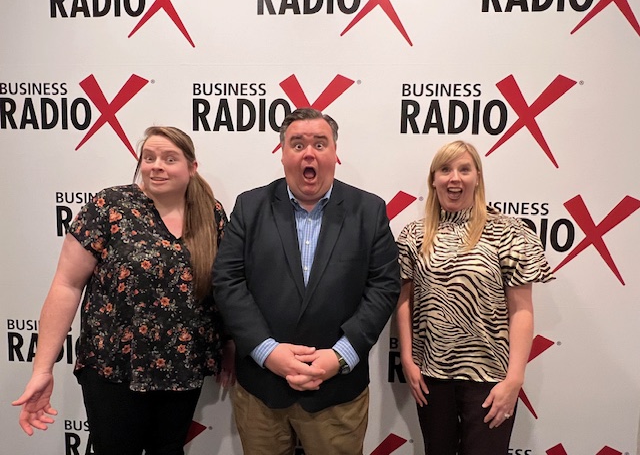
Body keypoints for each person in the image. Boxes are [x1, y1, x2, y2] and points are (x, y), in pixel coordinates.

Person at [12, 126, 233, 455]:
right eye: (149, 157)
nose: (156, 166)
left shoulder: (211, 213)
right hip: (113, 369)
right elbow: (66, 285)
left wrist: (229, 342)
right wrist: (42, 369)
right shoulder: (109, 206)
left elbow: (222, 286)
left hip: (182, 369)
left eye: (169, 159)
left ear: (192, 167)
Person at [212, 107, 400, 455]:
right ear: (283, 154)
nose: (309, 153)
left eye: (320, 144)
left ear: (335, 153)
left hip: (337, 392)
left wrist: (340, 355)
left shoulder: (369, 210)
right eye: (297, 144)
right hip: (262, 390)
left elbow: (384, 286)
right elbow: (227, 280)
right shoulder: (250, 207)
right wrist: (267, 351)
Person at [395, 140, 555, 455]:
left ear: (478, 177)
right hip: (431, 378)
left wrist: (514, 379)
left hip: (490, 379)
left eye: (464, 169)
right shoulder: (413, 235)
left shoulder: (509, 232)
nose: (454, 178)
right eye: (445, 169)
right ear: (433, 179)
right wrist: (408, 360)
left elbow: (522, 310)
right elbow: (403, 301)